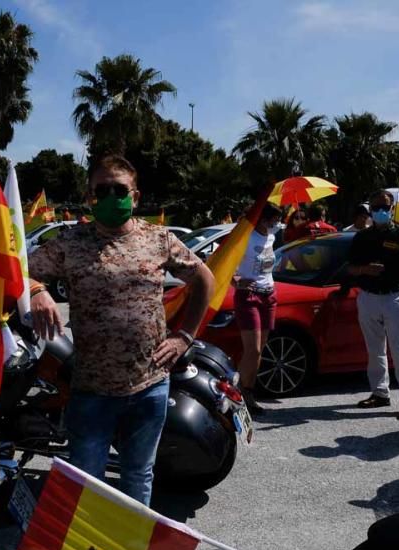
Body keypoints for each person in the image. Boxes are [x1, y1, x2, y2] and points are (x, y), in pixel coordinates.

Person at [27, 155, 215, 507]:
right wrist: (37, 292)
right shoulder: (71, 242)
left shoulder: (159, 239)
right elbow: (19, 271)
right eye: (103, 190)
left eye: (120, 189)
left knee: (138, 475)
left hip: (149, 387)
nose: (112, 196)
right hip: (92, 390)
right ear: (90, 196)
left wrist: (184, 335)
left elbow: (205, 278)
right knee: (87, 482)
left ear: (136, 196)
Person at [347, 189, 399, 421]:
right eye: (376, 207)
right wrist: (365, 270)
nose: (380, 211)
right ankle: (380, 392)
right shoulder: (362, 237)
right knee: (375, 349)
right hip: (368, 296)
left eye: (384, 207)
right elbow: (350, 268)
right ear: (370, 210)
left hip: (394, 297)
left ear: (392, 209)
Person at [232, 203, 285, 415]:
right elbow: (224, 261)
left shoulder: (272, 238)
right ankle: (238, 392)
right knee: (252, 350)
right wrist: (236, 281)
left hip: (268, 295)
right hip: (248, 296)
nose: (276, 225)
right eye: (273, 221)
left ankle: (248, 392)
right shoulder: (245, 237)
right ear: (263, 219)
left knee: (259, 351)